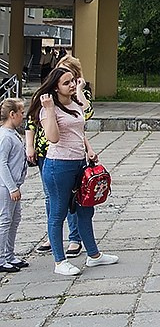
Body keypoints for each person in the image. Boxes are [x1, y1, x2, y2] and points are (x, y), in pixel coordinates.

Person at [29, 67, 117, 275]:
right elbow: (53, 137)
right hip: (58, 165)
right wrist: (50, 109)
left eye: (72, 81)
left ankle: (94, 255)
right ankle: (60, 262)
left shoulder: (75, 102)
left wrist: (89, 149)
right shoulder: (47, 108)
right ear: (55, 87)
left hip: (79, 163)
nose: (71, 85)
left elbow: (80, 128)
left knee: (86, 209)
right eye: (67, 83)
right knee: (58, 212)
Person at [0, 98, 28, 273]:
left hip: (14, 185)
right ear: (12, 114)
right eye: (21, 112)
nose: (23, 116)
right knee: (4, 220)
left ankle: (9, 255)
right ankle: (1, 258)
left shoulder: (12, 134)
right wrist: (12, 187)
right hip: (6, 187)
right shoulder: (4, 137)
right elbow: (2, 163)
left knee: (14, 220)